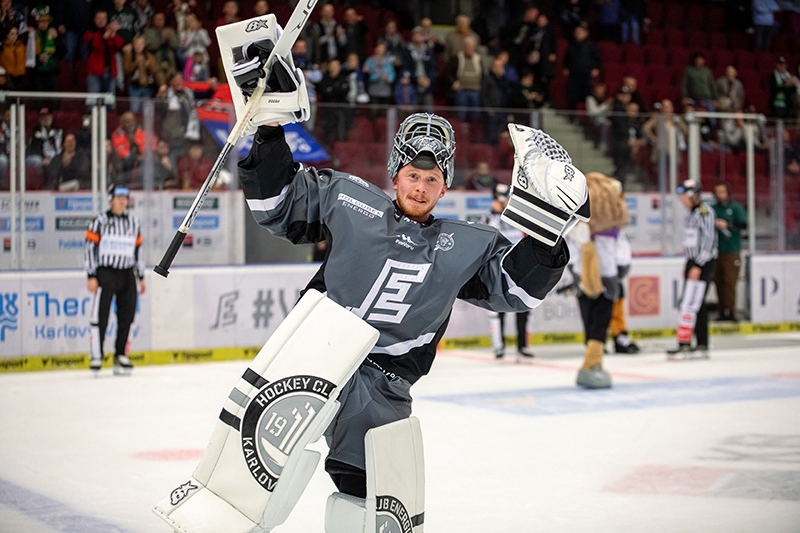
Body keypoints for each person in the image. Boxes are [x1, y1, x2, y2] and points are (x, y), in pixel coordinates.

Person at [225, 35, 589, 525]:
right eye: (413, 177)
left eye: (432, 180)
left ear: (445, 185)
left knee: (371, 495)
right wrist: (269, 125)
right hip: (314, 354)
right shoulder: (347, 199)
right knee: (252, 465)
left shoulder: (466, 244)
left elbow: (516, 290)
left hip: (383, 382)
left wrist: (547, 233)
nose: (420, 188)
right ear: (395, 175)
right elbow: (277, 205)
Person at [566, 172, 631, 388]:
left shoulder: (576, 230)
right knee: (600, 322)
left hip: (583, 277)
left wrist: (575, 273)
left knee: (589, 320)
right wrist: (620, 272)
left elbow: (570, 254)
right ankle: (592, 364)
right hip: (607, 277)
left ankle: (592, 363)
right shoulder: (613, 231)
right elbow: (622, 255)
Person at [84, 184, 145, 374]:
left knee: (127, 317)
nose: (122, 202)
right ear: (110, 199)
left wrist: (141, 276)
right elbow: (89, 248)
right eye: (118, 198)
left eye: (125, 198)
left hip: (127, 273)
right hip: (106, 272)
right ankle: (96, 355)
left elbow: (138, 250)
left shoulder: (134, 222)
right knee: (100, 316)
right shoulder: (99, 221)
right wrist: (91, 274)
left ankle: (121, 354)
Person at [483, 183, 535, 359]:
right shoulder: (490, 216)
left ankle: (523, 346)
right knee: (496, 310)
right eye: (504, 198)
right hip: (497, 269)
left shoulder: (519, 216)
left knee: (524, 307)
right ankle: (498, 346)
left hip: (519, 267)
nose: (507, 201)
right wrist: (495, 213)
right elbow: (487, 237)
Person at [668, 179, 717, 359]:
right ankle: (686, 342)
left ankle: (699, 344)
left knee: (694, 303)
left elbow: (709, 241)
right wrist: (689, 264)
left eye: (684, 196)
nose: (682, 200)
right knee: (689, 303)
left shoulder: (705, 213)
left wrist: (698, 265)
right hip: (692, 261)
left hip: (702, 263)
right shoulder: (692, 214)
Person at [711, 182, 747, 322]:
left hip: (731, 250)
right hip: (716, 251)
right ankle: (721, 311)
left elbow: (743, 224)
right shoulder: (712, 209)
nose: (720, 195)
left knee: (730, 282)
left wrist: (727, 224)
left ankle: (730, 311)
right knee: (718, 281)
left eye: (722, 192)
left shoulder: (735, 208)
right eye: (717, 192)